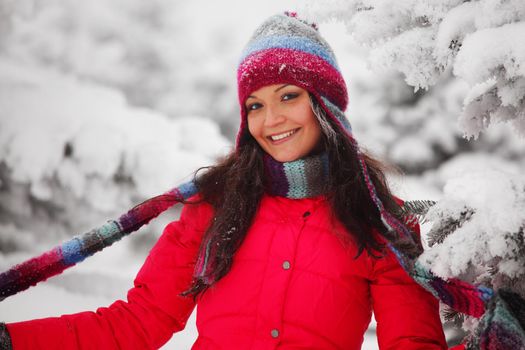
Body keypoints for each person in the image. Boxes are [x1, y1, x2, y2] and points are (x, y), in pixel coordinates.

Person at [0, 12, 448, 349]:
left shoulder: (379, 222)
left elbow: (413, 343)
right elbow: (138, 323)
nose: (271, 120)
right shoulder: (214, 208)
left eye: (288, 96)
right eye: (254, 105)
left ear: (324, 105)